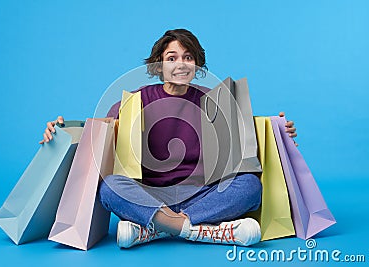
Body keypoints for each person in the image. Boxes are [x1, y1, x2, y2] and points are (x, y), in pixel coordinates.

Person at [40, 29, 297, 248]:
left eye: (188, 57)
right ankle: (202, 231)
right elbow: (98, 134)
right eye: (171, 57)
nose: (180, 64)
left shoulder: (214, 100)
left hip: (203, 194)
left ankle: (157, 228)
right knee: (109, 188)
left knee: (250, 186)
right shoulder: (135, 100)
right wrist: (63, 129)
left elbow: (248, 139)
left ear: (196, 65)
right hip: (150, 194)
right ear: (158, 65)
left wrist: (279, 135)